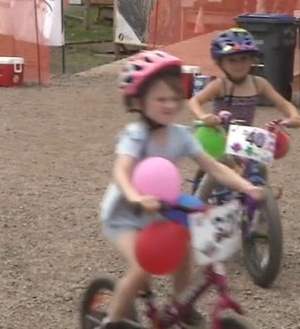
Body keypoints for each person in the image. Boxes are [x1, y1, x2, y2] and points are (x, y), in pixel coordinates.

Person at [98, 49, 267, 328]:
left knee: (184, 247)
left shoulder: (180, 134)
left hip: (160, 210)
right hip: (123, 217)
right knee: (142, 269)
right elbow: (121, 171)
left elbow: (214, 167)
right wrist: (136, 196)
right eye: (160, 99)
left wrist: (247, 186)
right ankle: (111, 322)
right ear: (138, 101)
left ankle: (180, 306)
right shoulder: (136, 135)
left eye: (174, 98)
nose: (168, 104)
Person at [187, 28, 300, 200]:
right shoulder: (220, 85)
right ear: (221, 63)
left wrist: (294, 116)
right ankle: (198, 203)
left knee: (259, 167)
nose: (238, 64)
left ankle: (258, 207)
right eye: (232, 60)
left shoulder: (259, 83)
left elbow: (283, 102)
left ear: (252, 60)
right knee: (216, 170)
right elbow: (194, 101)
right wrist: (203, 116)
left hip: (244, 136)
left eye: (244, 59)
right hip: (220, 135)